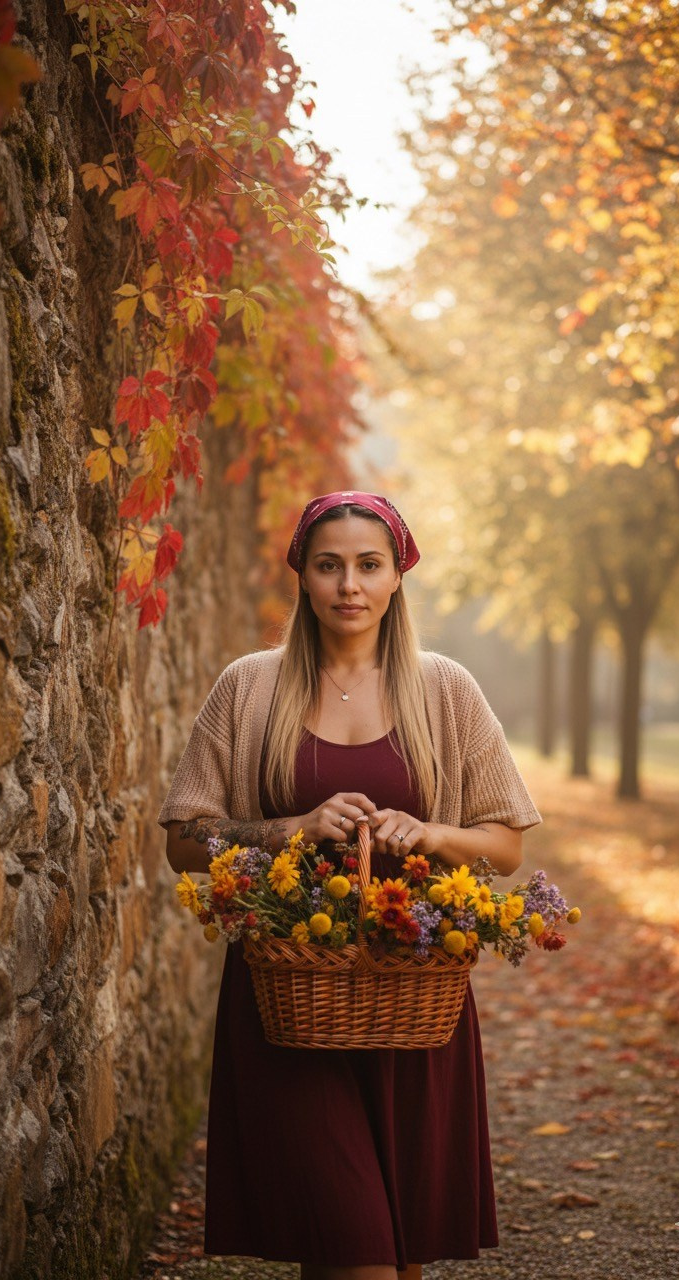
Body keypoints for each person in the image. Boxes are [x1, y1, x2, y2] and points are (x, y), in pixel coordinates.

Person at [158, 490, 543, 1280]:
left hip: (415, 997)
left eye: (369, 566)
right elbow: (182, 841)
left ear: (398, 575)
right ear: (301, 574)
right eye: (328, 566)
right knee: (350, 1245)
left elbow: (504, 845)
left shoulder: (446, 689)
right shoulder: (248, 687)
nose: (348, 586)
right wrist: (287, 831)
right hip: (289, 1003)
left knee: (395, 1255)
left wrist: (430, 833)